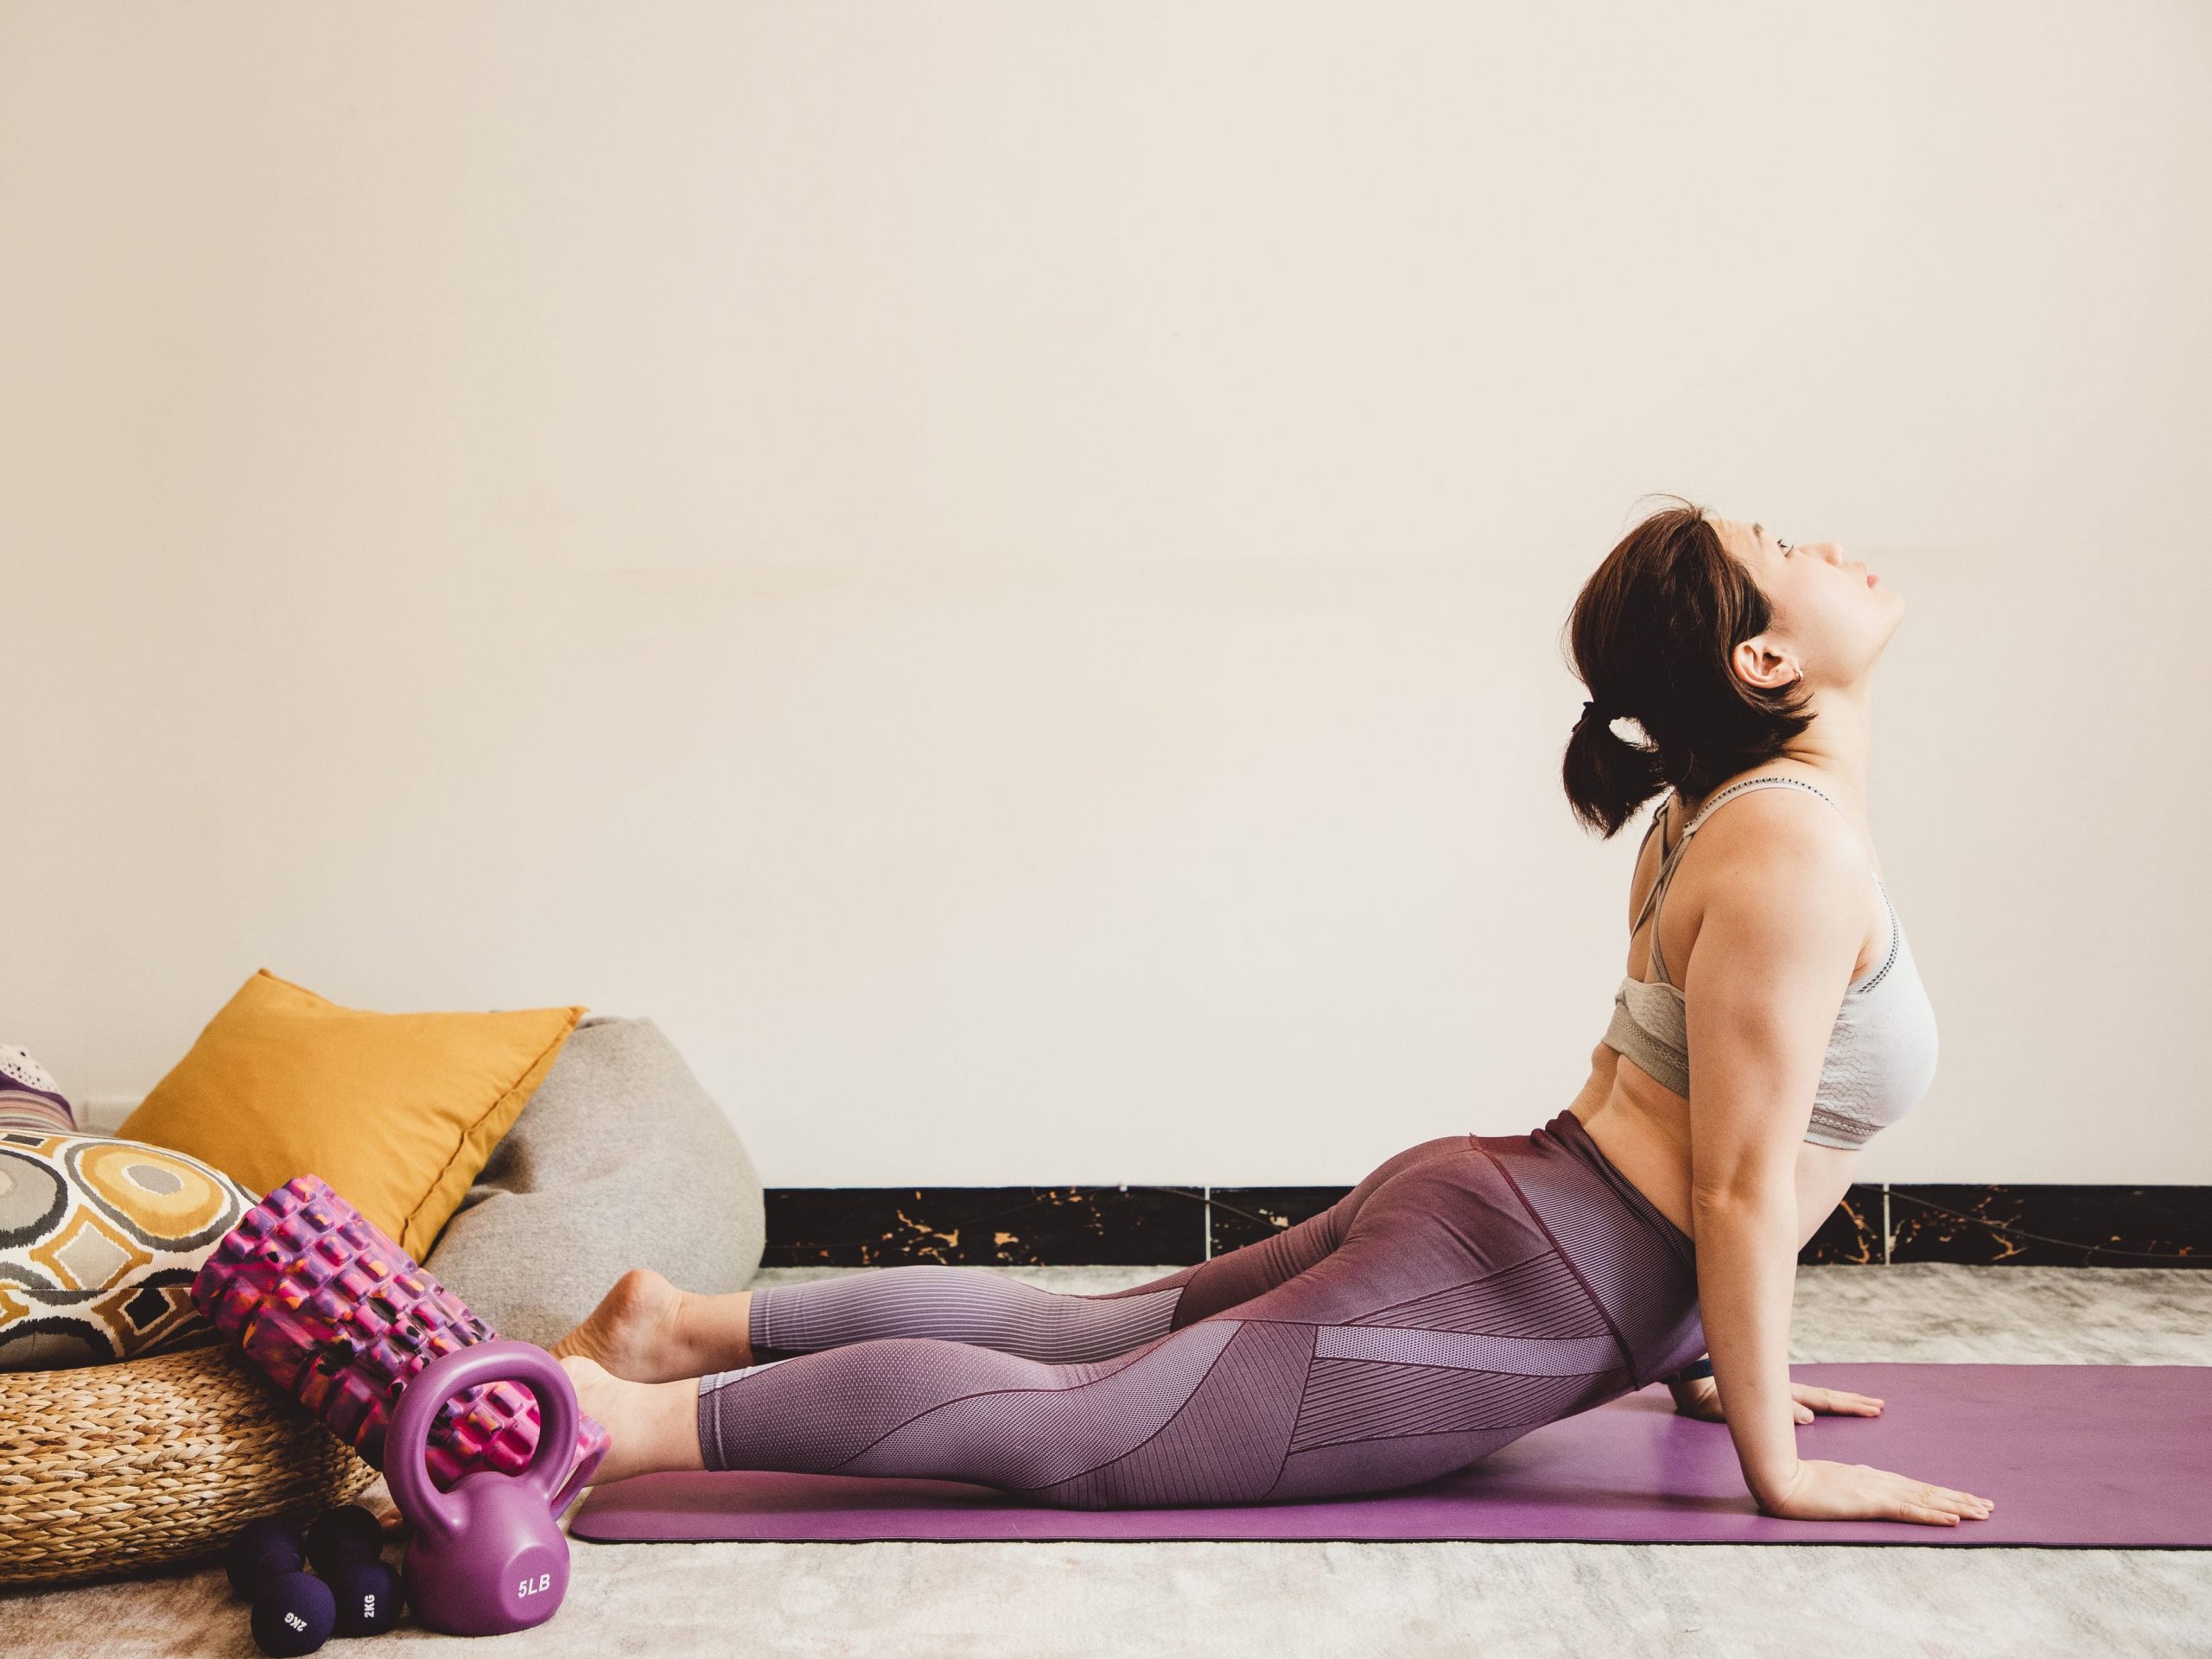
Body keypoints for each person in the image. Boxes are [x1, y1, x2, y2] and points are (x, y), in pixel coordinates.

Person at [552, 497, 1993, 1528]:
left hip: (1516, 1209)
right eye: (1783, 547)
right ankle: (637, 1423)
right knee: (1089, 1426)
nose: (1822, 546)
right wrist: (1772, 1462)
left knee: (1093, 1336)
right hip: (1534, 1274)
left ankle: (680, 1327)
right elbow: (1734, 1186)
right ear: (1763, 662)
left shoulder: (1729, 816)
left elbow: (1685, 1122)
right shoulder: (1794, 844)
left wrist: (1697, 1355)